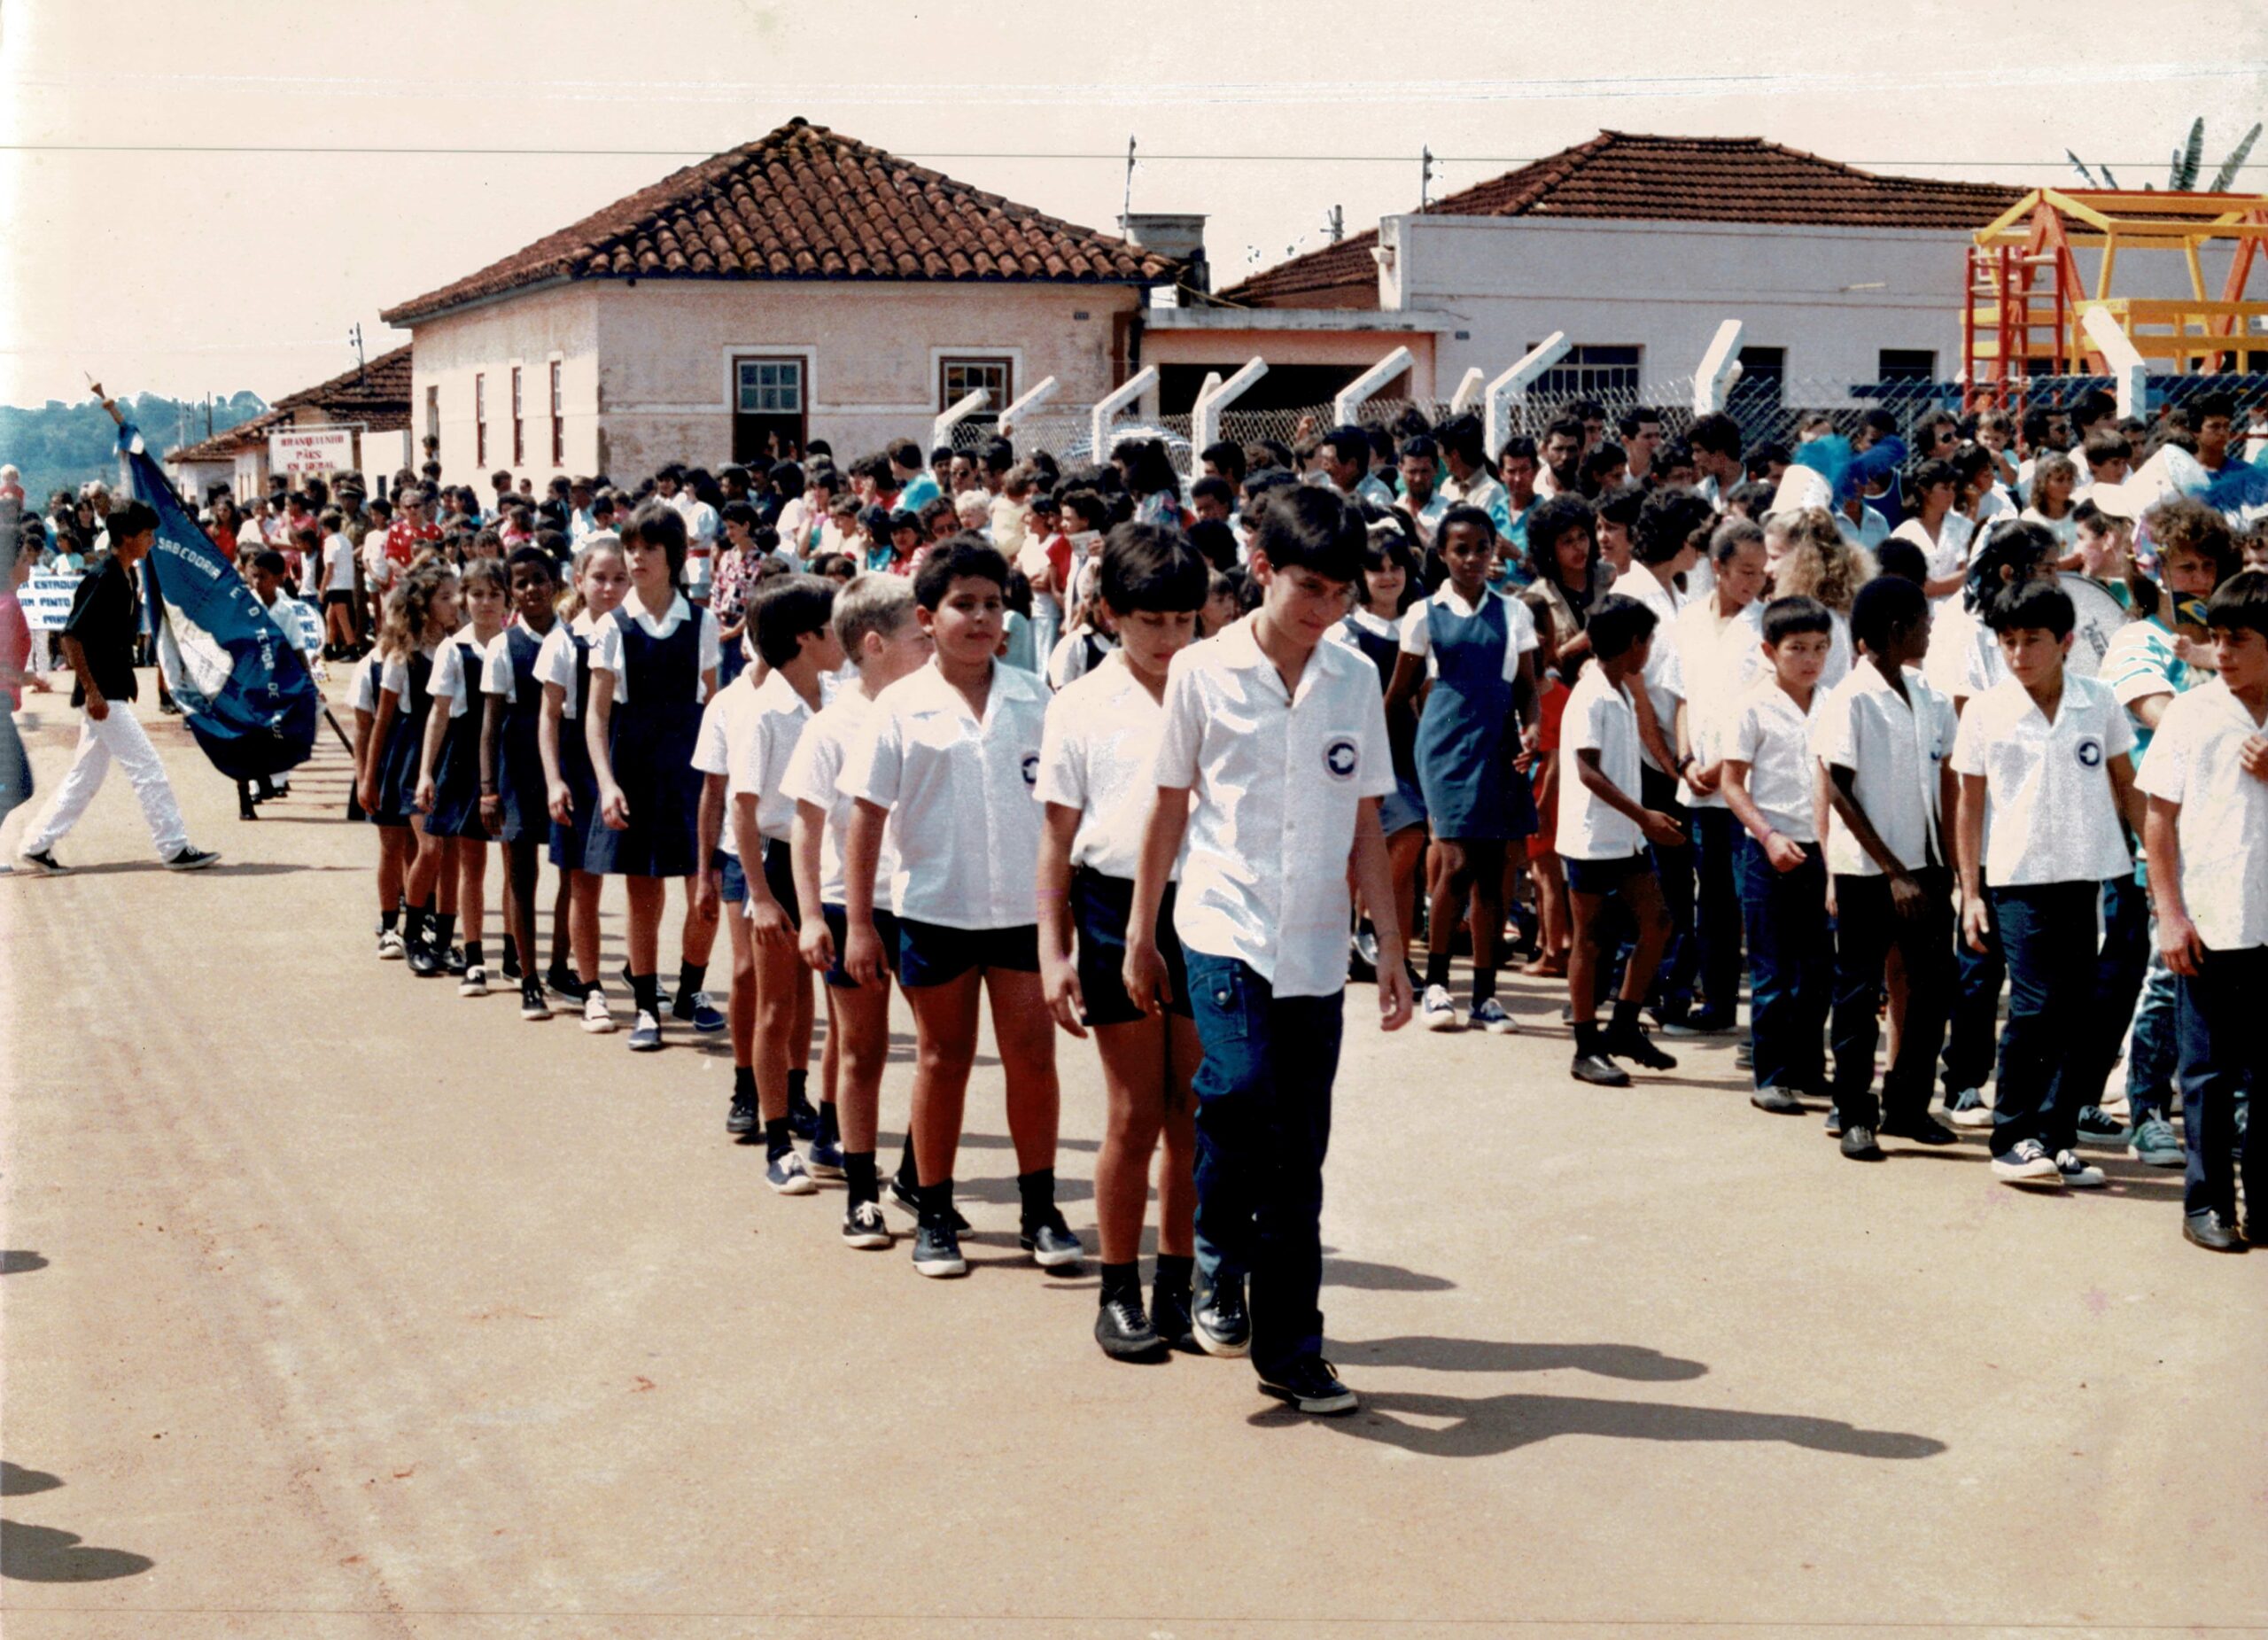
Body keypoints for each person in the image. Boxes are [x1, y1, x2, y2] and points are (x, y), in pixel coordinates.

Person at [1124, 484, 1414, 1416]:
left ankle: (1292, 1349)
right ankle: (1216, 1243)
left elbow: (1367, 819)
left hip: (1316, 947)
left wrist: (1395, 950)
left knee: (1299, 1159)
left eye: (1341, 592)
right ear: (1260, 571)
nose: (1324, 609)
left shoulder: (1354, 677)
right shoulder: (1203, 672)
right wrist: (1141, 930)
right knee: (1239, 1091)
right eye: (1307, 588)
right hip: (1221, 925)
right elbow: (1169, 804)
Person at [840, 536, 1076, 1279]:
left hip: (1021, 916)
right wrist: (857, 923)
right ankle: (934, 1211)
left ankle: (1039, 1207)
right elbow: (866, 819)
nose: (979, 619)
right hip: (935, 913)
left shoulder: (1037, 698)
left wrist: (1060, 925)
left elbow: (1065, 817)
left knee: (1033, 1059)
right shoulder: (900, 707)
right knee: (942, 1060)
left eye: (993, 605)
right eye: (962, 605)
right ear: (927, 616)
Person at [1037, 523, 1211, 1361]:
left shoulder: (1214, 687)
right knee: (1135, 1110)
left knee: (1195, 1111)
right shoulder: (1077, 704)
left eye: (1184, 620)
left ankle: (1181, 1283)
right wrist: (1053, 948)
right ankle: (1119, 1287)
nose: (1169, 639)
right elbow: (1056, 840)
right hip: (1110, 907)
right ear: (1110, 614)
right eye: (1151, 621)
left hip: (1206, 905)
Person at [1953, 579, 2140, 1190]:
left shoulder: (2100, 701)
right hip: (2018, 877)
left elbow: (2127, 785)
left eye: (2032, 640)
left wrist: (2154, 867)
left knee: (2077, 1008)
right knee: (2032, 1006)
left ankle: (2055, 1137)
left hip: (2086, 872)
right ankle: (2012, 1136)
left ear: (2064, 641)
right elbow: (1968, 804)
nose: (2019, 654)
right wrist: (1971, 892)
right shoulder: (1986, 709)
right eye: (2008, 642)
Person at [784, 573, 933, 1249]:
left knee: (939, 1051)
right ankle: (862, 1192)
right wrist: (813, 916)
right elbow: (806, 830)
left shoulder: (930, 706)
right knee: (863, 1050)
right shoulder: (831, 725)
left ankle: (917, 1176)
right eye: (917, 635)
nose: (931, 643)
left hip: (927, 903)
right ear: (874, 645)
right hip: (854, 907)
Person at [2136, 569, 2268, 1250]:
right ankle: (2207, 1204)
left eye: (2238, 639)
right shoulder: (2192, 712)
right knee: (2210, 1075)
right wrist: (2170, 914)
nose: (2222, 653)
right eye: (2215, 638)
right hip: (2212, 922)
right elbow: (2158, 819)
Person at [1814, 575, 1959, 1161]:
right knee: (1858, 991)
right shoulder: (1850, 697)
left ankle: (1908, 1103)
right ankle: (1854, 1112)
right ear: (1894, 630)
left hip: (1925, 863)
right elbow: (1839, 790)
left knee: (1931, 987)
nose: (1929, 628)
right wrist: (1892, 869)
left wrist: (1939, 865)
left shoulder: (1925, 691)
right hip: (1870, 871)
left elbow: (1940, 777)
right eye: (1922, 619)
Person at [1386, 505, 1537, 1033]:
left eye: (1482, 547)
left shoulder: (1514, 613)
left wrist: (1533, 729)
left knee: (1495, 875)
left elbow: (1526, 690)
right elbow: (1398, 696)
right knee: (1455, 865)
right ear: (1443, 554)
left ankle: (1486, 998)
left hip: (1498, 745)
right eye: (1461, 549)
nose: (1473, 559)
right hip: (1445, 748)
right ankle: (1436, 987)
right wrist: (1398, 761)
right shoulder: (1423, 614)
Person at [18, 499, 217, 875]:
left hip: (110, 692)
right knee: (148, 767)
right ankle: (174, 847)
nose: (152, 542)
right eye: (146, 535)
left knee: (83, 779)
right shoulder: (104, 577)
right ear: (126, 537)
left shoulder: (128, 575)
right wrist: (92, 691)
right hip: (104, 695)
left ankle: (36, 844)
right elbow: (71, 638)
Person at [585, 504, 721, 1052]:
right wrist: (607, 783)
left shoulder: (702, 622)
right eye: (630, 547)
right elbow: (596, 716)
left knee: (703, 896)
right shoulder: (611, 626)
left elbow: (713, 703)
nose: (635, 558)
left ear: (675, 558)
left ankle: (690, 990)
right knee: (644, 900)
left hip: (689, 770)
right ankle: (647, 1008)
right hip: (634, 766)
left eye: (648, 549)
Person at [725, 575, 843, 1193]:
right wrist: (761, 897)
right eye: (835, 624)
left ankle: (825, 1127)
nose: (845, 634)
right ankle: (777, 1142)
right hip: (779, 865)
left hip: (838, 867)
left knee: (837, 1010)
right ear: (806, 637)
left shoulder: (841, 696)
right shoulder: (763, 712)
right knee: (778, 1005)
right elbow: (742, 809)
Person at [1555, 595, 1682, 1086]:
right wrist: (1645, 817)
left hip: (1625, 837)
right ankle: (1586, 1048)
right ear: (1634, 644)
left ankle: (1624, 1026)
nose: (1649, 649)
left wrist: (1641, 821)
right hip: (1592, 838)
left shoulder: (1620, 691)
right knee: (1589, 938)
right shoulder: (1592, 694)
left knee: (1658, 922)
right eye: (1647, 640)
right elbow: (1586, 770)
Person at [1719, 595, 1834, 1115]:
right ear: (1770, 650)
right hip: (1770, 852)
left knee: (1818, 969)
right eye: (1796, 649)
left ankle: (1809, 1068)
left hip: (1823, 852)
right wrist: (1766, 836)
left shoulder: (1834, 702)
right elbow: (1731, 783)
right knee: (1772, 971)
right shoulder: (1752, 705)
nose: (1809, 659)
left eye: (1819, 648)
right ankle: (1772, 1076)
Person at [538, 533, 632, 1028]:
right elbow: (549, 717)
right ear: (579, 581)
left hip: (626, 751)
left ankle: (644, 975)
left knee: (643, 877)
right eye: (599, 578)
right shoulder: (564, 640)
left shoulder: (634, 633)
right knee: (582, 881)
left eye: (621, 579)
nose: (610, 588)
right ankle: (590, 985)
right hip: (578, 758)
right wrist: (555, 779)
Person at [360, 557, 459, 969]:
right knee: (420, 845)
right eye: (446, 597)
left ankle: (442, 936)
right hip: (409, 759)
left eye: (458, 595)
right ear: (424, 604)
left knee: (447, 852)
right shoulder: (403, 655)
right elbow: (381, 720)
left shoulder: (459, 647)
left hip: (452, 756)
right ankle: (400, 928)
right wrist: (368, 777)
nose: (457, 603)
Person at [416, 556, 509, 996]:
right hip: (467, 764)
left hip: (511, 764)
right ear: (465, 600)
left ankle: (515, 953)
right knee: (472, 864)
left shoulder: (519, 645)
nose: (485, 603)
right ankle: (474, 957)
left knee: (516, 867)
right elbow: (437, 716)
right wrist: (425, 773)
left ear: (507, 598)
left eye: (494, 593)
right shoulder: (456, 649)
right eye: (476, 594)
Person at [479, 546, 563, 1021]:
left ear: (555, 583)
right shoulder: (503, 647)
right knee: (521, 876)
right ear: (512, 592)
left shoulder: (574, 639)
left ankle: (561, 967)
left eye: (539, 579)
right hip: (517, 767)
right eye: (521, 582)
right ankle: (528, 977)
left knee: (574, 873)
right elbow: (490, 724)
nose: (532, 589)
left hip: (564, 766)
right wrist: (488, 788)